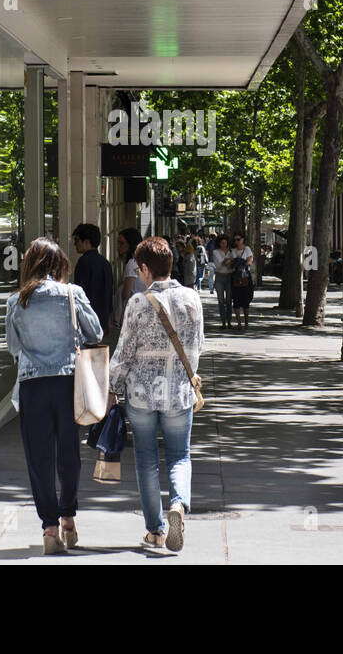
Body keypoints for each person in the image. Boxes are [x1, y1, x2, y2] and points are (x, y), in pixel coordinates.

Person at [4, 238, 104, 554]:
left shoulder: (16, 301)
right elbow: (96, 333)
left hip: (33, 384)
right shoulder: (72, 294)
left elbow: (13, 346)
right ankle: (69, 517)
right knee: (68, 452)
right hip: (67, 381)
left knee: (39, 457)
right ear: (59, 263)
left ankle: (49, 528)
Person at [108, 236, 203, 552]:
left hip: (142, 394)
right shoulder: (191, 299)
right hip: (178, 392)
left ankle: (156, 531)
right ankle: (178, 505)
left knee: (146, 459)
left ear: (145, 268)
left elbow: (124, 353)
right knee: (180, 455)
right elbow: (196, 346)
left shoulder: (138, 303)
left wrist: (112, 388)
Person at [71, 223, 114, 337]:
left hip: (87, 319)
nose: (75, 244)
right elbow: (109, 293)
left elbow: (79, 294)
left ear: (86, 242)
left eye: (77, 240)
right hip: (102, 318)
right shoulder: (106, 263)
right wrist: (108, 318)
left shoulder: (83, 262)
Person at [111, 227, 145, 351]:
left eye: (122, 243)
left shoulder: (131, 263)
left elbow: (126, 294)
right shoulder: (142, 261)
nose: (119, 246)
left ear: (131, 244)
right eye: (118, 243)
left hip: (133, 314)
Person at [229, 232, 256, 329]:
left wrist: (241, 263)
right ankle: (239, 323)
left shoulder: (247, 249)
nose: (236, 241)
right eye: (235, 239)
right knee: (236, 300)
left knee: (246, 300)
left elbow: (250, 261)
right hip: (235, 277)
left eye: (238, 239)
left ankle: (246, 322)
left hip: (245, 277)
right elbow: (230, 263)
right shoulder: (233, 251)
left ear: (243, 239)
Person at [211, 234, 235, 328]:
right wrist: (228, 261)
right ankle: (223, 322)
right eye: (222, 243)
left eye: (225, 242)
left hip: (229, 277)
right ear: (219, 243)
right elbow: (219, 265)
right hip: (219, 277)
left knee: (229, 300)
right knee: (221, 300)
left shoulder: (231, 252)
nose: (224, 244)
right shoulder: (215, 252)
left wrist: (227, 261)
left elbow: (232, 264)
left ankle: (229, 321)